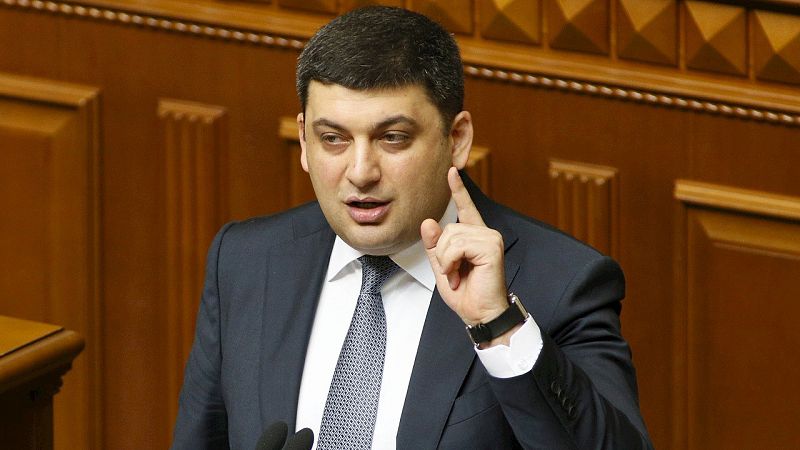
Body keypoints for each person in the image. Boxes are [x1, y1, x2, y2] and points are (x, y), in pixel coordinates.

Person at [172, 6, 652, 449]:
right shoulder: (247, 261)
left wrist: (499, 325)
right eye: (333, 139)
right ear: (303, 140)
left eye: (393, 138)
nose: (360, 171)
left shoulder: (560, 285)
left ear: (456, 139)